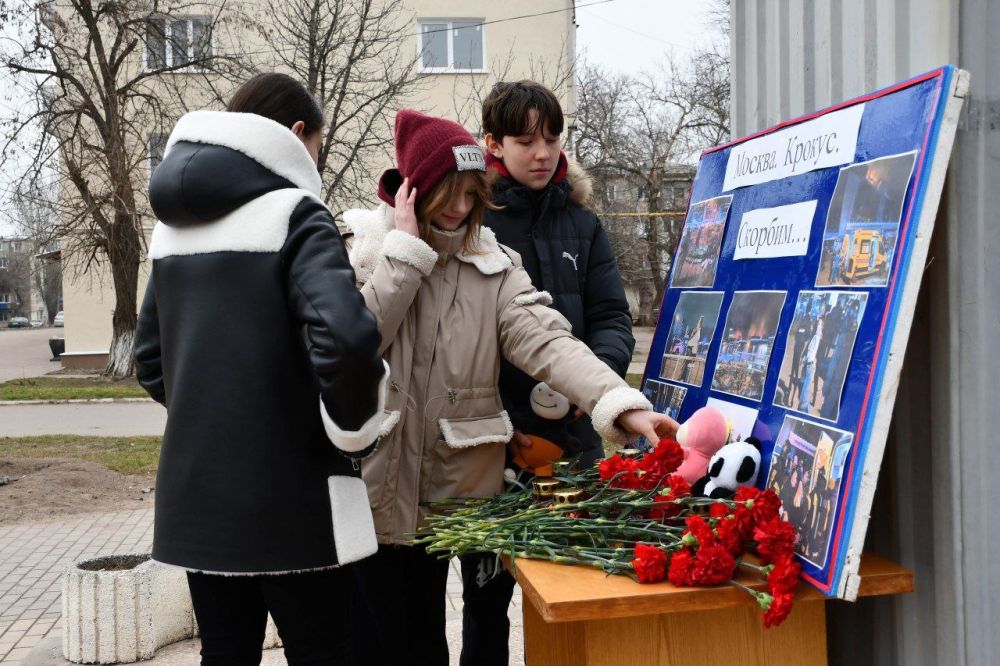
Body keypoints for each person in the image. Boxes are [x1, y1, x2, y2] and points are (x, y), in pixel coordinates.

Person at [342, 109, 676, 666]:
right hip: (382, 485)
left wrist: (621, 405)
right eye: (446, 193)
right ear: (413, 188)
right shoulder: (366, 252)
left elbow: (548, 340)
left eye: (470, 194)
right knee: (393, 644)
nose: (459, 208)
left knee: (464, 631)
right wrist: (402, 260)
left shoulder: (494, 265)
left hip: (464, 486)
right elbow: (355, 350)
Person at [134, 73, 387, 664]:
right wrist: (351, 432)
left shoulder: (172, 229)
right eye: (318, 148)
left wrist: (211, 414)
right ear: (297, 135)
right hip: (292, 498)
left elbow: (150, 360)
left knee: (224, 653)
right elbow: (348, 341)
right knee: (327, 650)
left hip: (196, 499)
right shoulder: (297, 213)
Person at [461, 80, 637, 664]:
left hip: (577, 442)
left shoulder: (583, 224)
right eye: (526, 140)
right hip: (499, 448)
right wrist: (499, 419)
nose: (543, 153)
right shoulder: (474, 221)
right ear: (492, 143)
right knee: (486, 605)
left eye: (553, 138)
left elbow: (613, 315)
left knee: (578, 592)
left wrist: (597, 384)